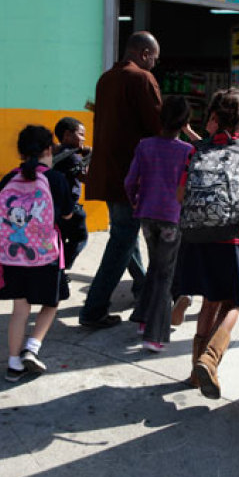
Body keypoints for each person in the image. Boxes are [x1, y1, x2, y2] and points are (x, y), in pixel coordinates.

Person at [175, 88, 239, 398]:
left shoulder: (196, 150)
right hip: (235, 239)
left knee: (209, 301)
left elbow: (180, 196)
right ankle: (210, 359)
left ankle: (195, 372)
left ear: (213, 116)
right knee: (232, 302)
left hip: (200, 238)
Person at [80, 31, 162, 328]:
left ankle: (143, 288)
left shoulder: (106, 78)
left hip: (108, 172)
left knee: (125, 234)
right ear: (143, 53)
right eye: (153, 57)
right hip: (131, 175)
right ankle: (93, 309)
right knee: (122, 239)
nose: (154, 63)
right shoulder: (141, 79)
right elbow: (158, 127)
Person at [0, 125, 74, 383]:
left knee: (20, 309)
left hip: (13, 257)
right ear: (49, 150)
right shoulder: (55, 179)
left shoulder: (8, 178)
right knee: (52, 302)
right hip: (46, 255)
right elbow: (68, 214)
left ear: (21, 152)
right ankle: (32, 348)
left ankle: (13, 365)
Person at [124, 96, 194, 352]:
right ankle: (155, 334)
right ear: (185, 122)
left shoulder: (145, 145)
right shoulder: (188, 151)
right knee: (165, 274)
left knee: (155, 266)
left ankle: (143, 318)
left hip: (147, 214)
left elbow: (130, 181)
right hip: (172, 218)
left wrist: (134, 201)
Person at [52, 116, 91, 270]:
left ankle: (57, 266)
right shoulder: (72, 156)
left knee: (60, 238)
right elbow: (85, 177)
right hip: (71, 208)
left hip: (56, 207)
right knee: (80, 238)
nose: (84, 138)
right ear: (67, 135)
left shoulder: (57, 151)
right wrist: (89, 156)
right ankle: (62, 266)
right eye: (81, 134)